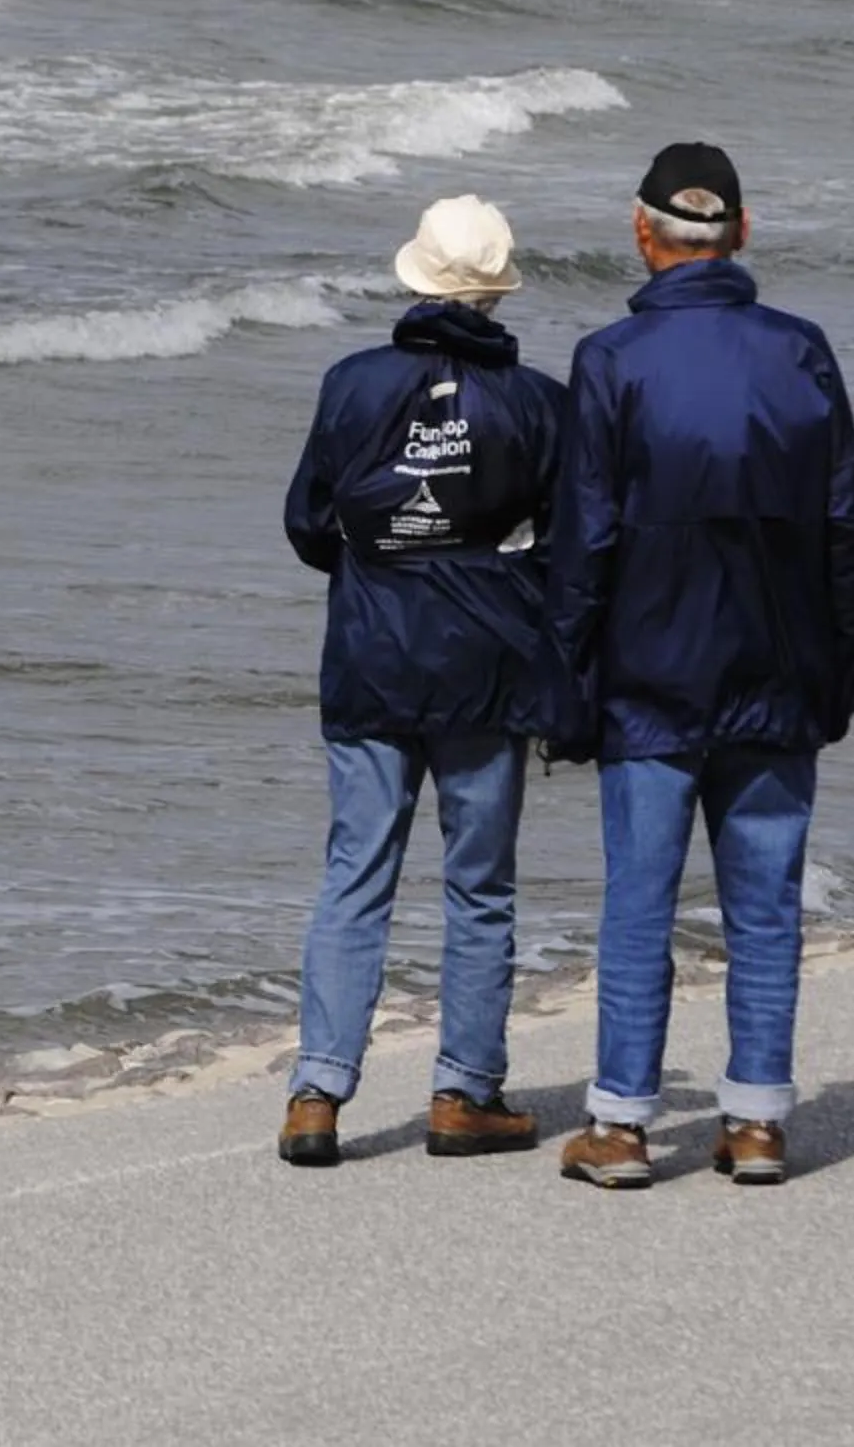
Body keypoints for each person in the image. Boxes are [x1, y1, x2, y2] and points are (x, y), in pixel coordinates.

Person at [544, 142, 854, 1190]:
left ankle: (625, 1126)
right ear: (742, 229)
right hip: (778, 673)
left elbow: (583, 540)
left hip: (648, 677)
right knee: (765, 901)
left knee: (639, 901)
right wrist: (839, 675)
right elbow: (843, 534)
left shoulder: (610, 359)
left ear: (642, 235)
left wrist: (567, 679)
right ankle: (758, 1121)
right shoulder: (801, 350)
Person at [277, 194, 569, 1167]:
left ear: (415, 277)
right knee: (479, 886)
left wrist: (392, 556)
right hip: (486, 663)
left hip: (372, 653)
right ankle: (464, 1092)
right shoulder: (535, 400)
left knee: (355, 875)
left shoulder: (352, 383)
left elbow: (311, 524)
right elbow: (567, 540)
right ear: (493, 292)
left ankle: (317, 1091)